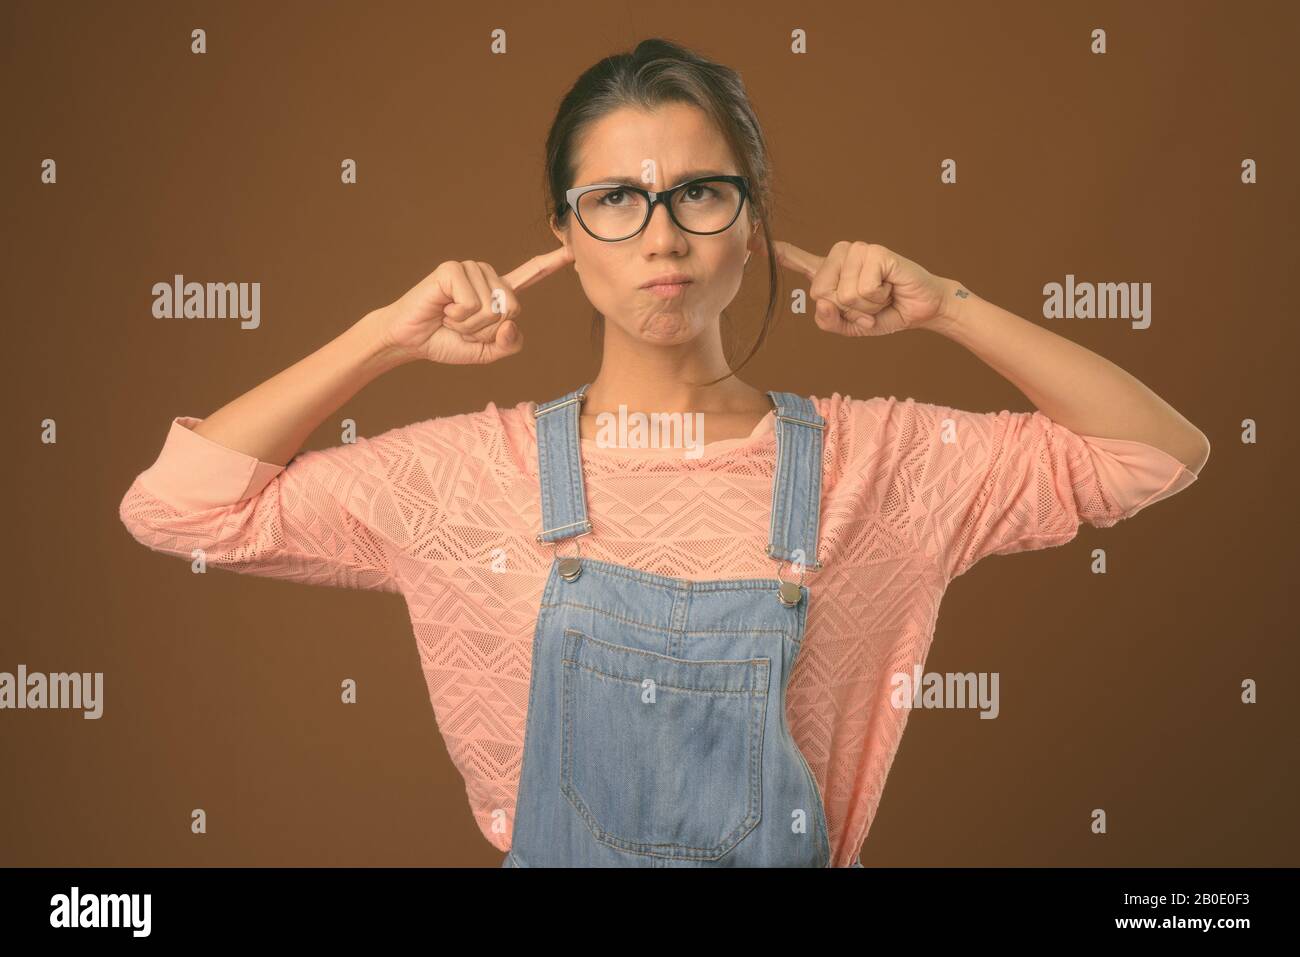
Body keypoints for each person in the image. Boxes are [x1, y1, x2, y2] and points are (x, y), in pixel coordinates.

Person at [118, 38, 1209, 867]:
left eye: (698, 191)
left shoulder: (877, 462)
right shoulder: (465, 476)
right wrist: (378, 338)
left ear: (750, 218)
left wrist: (949, 308)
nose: (661, 234)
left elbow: (1153, 454)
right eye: (614, 201)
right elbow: (179, 509)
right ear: (562, 235)